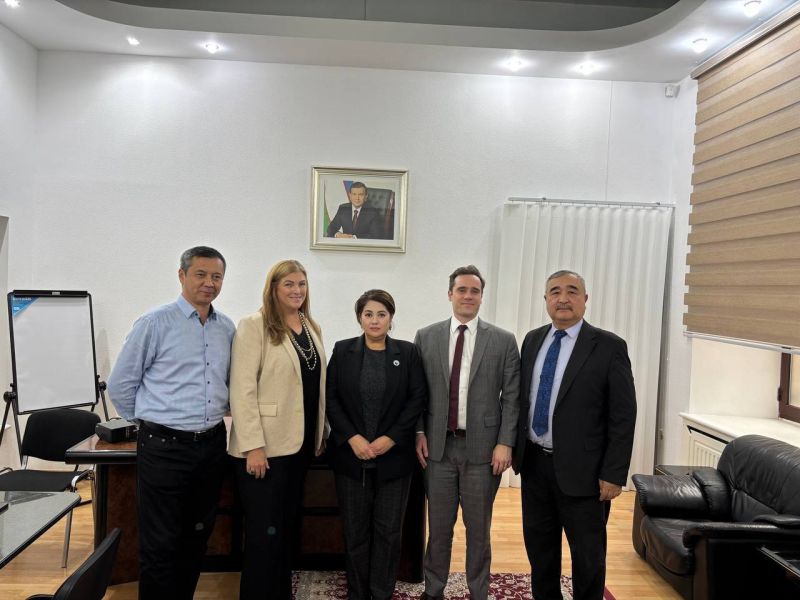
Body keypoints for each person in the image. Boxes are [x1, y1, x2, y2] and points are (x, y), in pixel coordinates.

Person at [107, 245, 235, 600]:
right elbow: (121, 385)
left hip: (211, 445)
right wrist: (152, 421)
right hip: (164, 448)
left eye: (217, 276)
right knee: (160, 543)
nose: (209, 283)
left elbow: (227, 383)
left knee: (197, 536)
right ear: (182, 275)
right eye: (201, 274)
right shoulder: (154, 323)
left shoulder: (226, 328)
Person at [512, 270, 636, 600]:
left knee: (588, 556)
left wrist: (613, 473)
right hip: (535, 465)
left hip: (586, 473)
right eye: (555, 291)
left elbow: (623, 416)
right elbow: (524, 399)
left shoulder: (609, 346)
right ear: (546, 300)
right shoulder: (533, 340)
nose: (563, 298)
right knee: (540, 550)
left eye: (572, 291)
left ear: (585, 299)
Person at [414, 265, 520, 600]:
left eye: (475, 291)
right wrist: (419, 431)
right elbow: (416, 392)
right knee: (439, 529)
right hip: (438, 449)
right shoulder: (426, 337)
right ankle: (434, 589)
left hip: (483, 451)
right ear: (450, 294)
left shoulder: (503, 340)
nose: (468, 296)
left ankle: (478, 592)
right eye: (462, 290)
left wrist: (505, 443)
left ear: (481, 297)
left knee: (478, 531)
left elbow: (512, 397)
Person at [227, 259, 327, 600]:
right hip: (265, 449)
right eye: (289, 284)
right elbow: (242, 390)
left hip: (299, 445)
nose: (297, 290)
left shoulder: (310, 326)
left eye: (301, 284)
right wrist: (253, 446)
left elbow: (314, 386)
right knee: (263, 534)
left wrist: (320, 433)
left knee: (284, 530)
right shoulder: (254, 325)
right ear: (273, 288)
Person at [326, 289, 427, 600]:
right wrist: (353, 438)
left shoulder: (407, 353)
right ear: (359, 317)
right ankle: (358, 593)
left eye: (381, 314)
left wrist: (391, 438)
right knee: (355, 532)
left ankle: (381, 592)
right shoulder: (342, 351)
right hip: (351, 457)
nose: (374, 320)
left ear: (391, 318)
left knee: (388, 532)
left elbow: (417, 399)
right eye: (368, 314)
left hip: (394, 459)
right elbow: (331, 398)